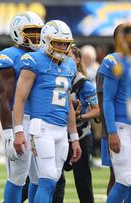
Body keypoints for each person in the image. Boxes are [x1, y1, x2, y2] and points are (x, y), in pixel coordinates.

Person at [13, 20, 82, 203]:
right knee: (48, 179)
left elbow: (67, 104)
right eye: (57, 42)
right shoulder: (33, 60)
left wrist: (74, 138)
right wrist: (18, 131)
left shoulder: (69, 64)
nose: (61, 47)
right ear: (46, 40)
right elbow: (19, 99)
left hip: (61, 130)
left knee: (53, 180)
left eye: (64, 43)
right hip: (41, 127)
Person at [0, 11, 43, 203]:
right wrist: (8, 133)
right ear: (17, 32)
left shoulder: (43, 56)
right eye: (30, 31)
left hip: (40, 122)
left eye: (38, 32)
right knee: (18, 176)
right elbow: (4, 98)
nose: (36, 36)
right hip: (18, 120)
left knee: (41, 177)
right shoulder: (9, 56)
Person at [62, 44, 100, 203]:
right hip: (58, 134)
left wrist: (81, 117)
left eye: (69, 55)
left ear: (77, 60)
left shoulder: (84, 83)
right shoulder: (55, 76)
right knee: (50, 178)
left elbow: (97, 110)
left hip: (80, 135)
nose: (65, 59)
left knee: (83, 180)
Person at [100, 22, 131, 203]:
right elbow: (108, 99)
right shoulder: (113, 60)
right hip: (121, 127)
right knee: (124, 179)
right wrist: (111, 131)